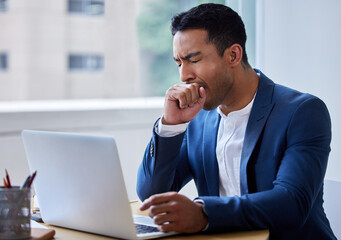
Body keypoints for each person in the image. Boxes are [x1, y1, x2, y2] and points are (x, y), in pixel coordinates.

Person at [136, 3, 336, 239]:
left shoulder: (302, 112)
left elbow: (291, 203)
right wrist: (171, 125)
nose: (184, 75)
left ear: (233, 55)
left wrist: (204, 214)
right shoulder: (198, 118)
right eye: (179, 63)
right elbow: (152, 194)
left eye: (194, 60)